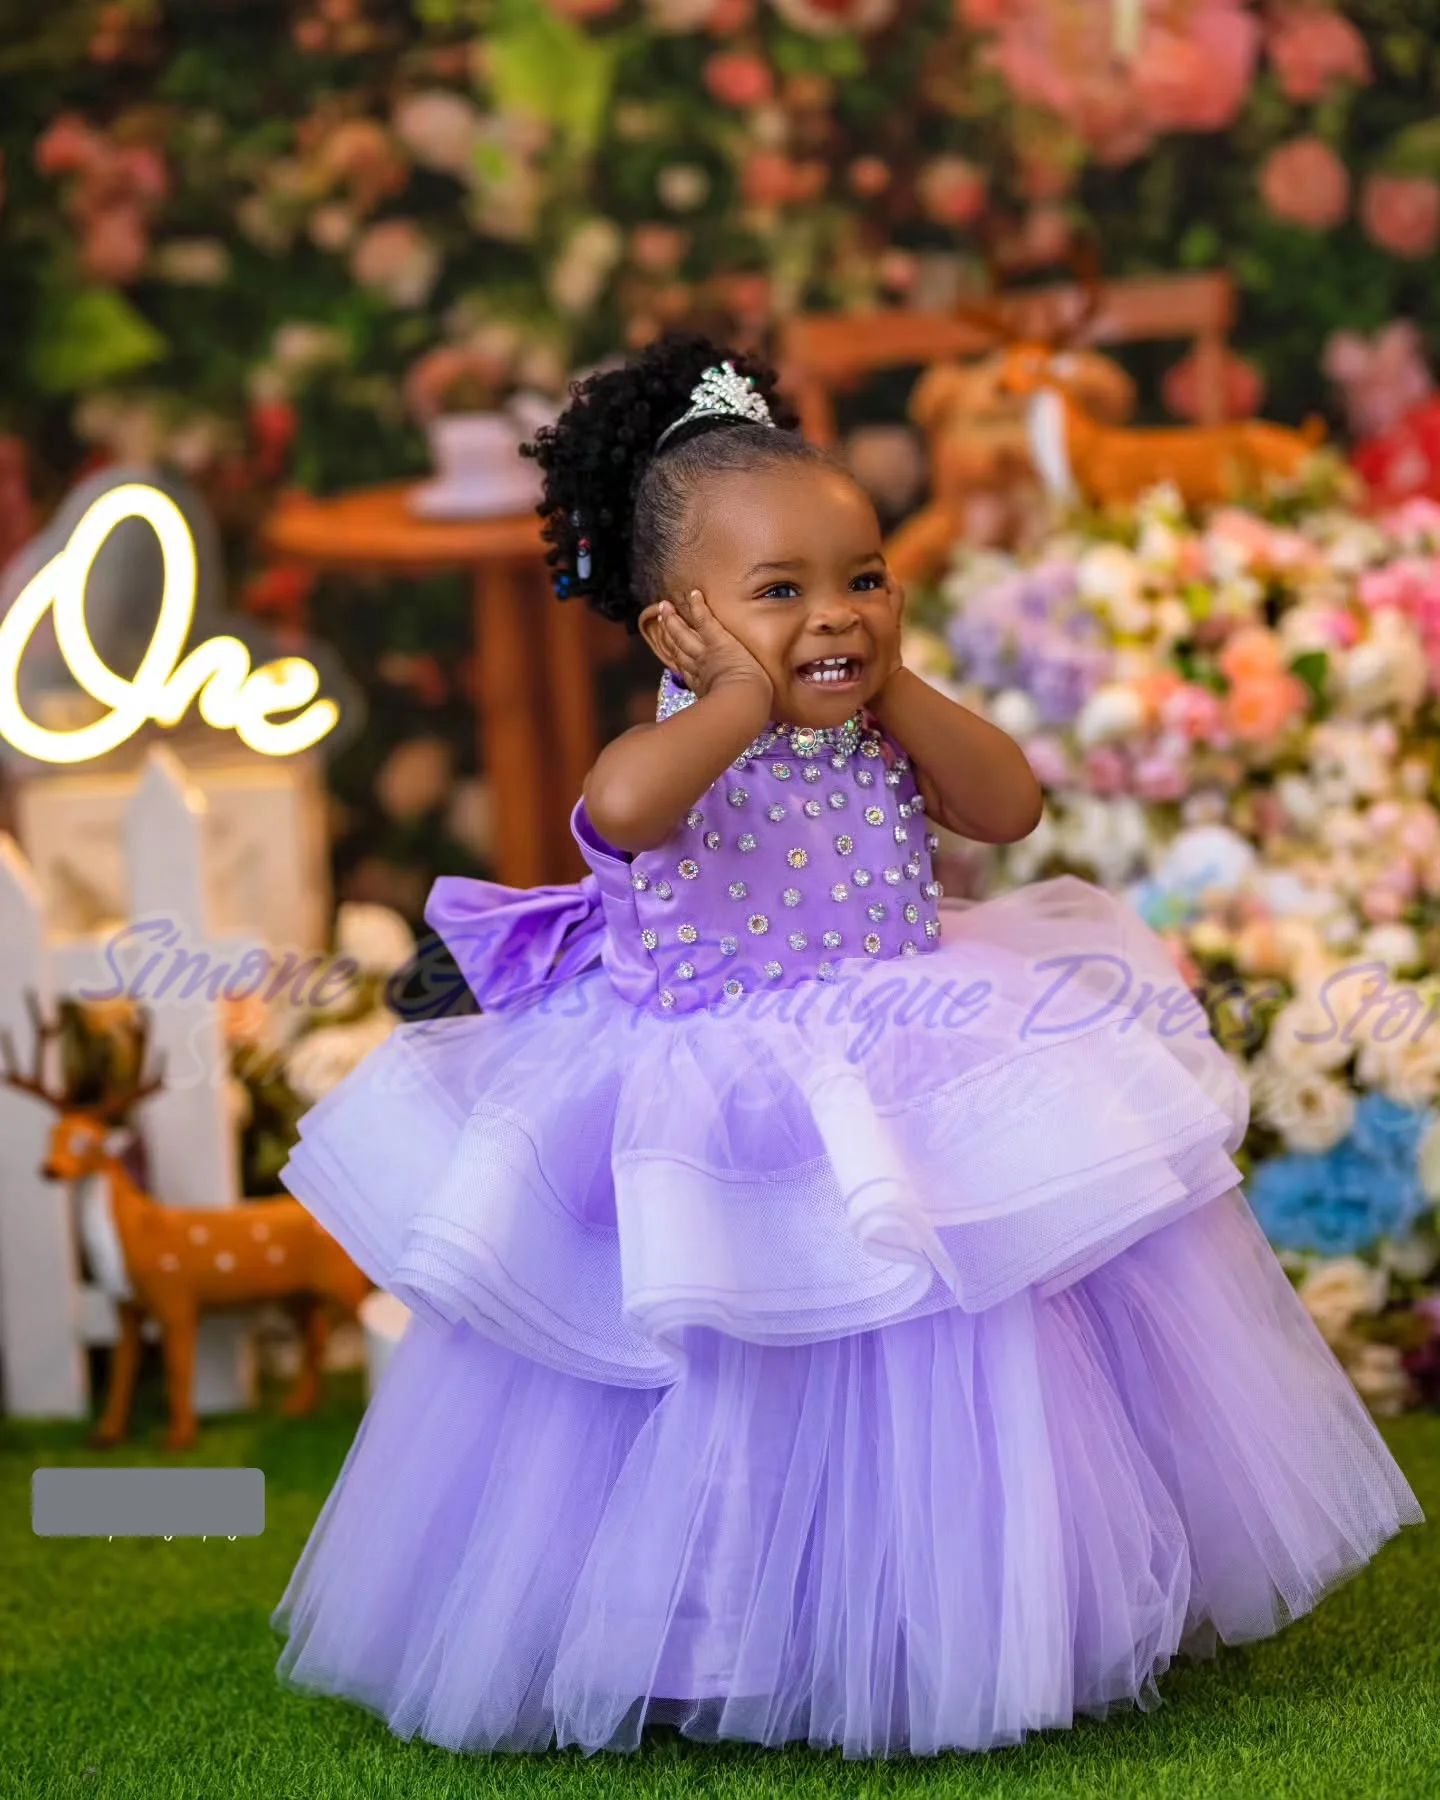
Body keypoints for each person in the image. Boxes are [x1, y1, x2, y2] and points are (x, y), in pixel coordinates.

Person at [270, 333, 1421, 1759]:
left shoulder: (875, 728)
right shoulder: (682, 743)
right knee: (743, 1364)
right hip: (711, 1102)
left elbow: (1006, 809)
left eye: (863, 576)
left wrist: (898, 686)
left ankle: (938, 1607)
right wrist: (740, 700)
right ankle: (711, 1629)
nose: (838, 616)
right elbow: (622, 812)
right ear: (674, 625)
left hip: (907, 1058)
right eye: (781, 592)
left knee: (938, 1344)